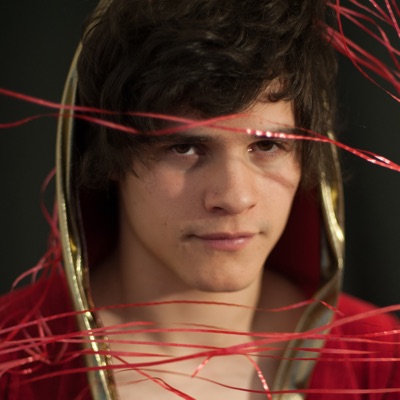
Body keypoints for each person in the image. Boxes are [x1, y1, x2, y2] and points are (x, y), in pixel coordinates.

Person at [0, 0, 398, 399]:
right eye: (185, 147)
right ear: (111, 154)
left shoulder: (381, 365)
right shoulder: (13, 365)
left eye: (267, 146)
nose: (235, 197)